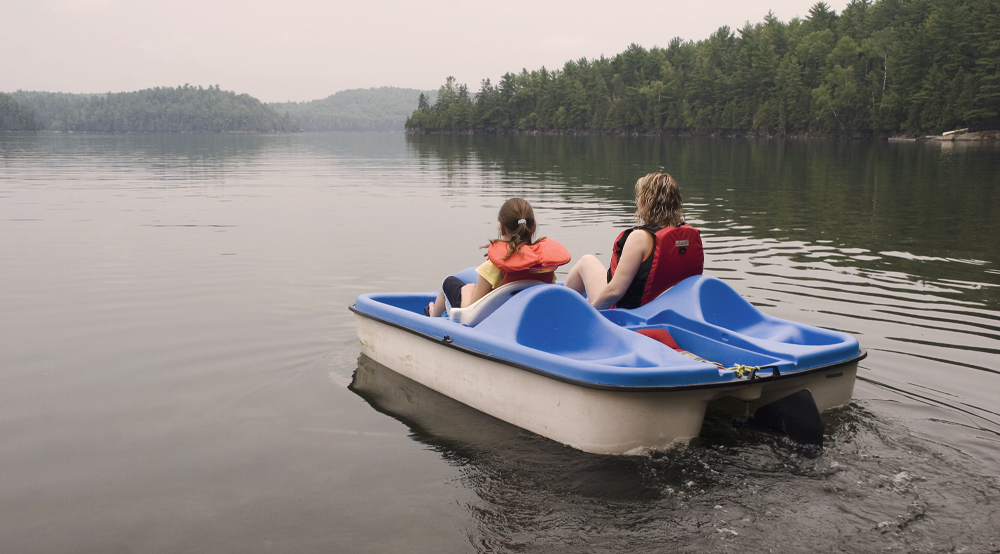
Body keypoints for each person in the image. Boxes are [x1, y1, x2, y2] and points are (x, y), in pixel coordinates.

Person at [565, 172, 703, 310]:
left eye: (639, 197)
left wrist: (591, 315)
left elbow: (615, 292)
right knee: (589, 298)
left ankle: (557, 307)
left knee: (586, 261)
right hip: (663, 309)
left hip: (629, 312)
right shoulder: (687, 238)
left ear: (644, 203)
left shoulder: (641, 237)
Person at [426, 198, 570, 317]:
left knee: (449, 282)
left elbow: (469, 313)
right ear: (533, 228)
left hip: (493, 320)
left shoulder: (493, 267)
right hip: (525, 316)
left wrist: (467, 291)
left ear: (501, 228)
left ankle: (433, 317)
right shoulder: (544, 266)